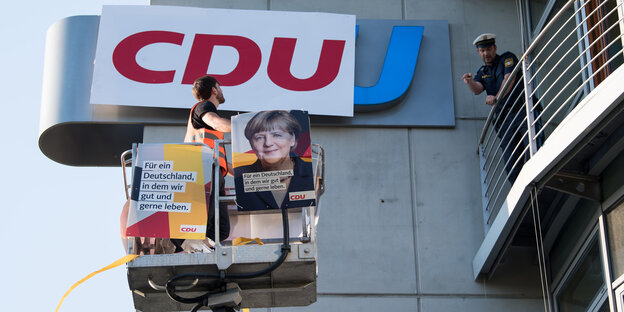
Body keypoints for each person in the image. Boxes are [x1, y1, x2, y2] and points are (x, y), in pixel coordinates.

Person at [462, 33, 529, 183]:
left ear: (494, 48)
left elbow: (508, 79)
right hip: (504, 119)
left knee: (533, 149)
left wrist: (496, 97)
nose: (486, 53)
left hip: (521, 111)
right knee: (511, 164)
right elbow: (478, 89)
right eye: (482, 51)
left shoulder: (507, 58)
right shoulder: (483, 71)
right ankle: (523, 196)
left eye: (488, 49)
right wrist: (470, 82)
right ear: (478, 53)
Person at [234, 111, 315, 211]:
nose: (268, 143)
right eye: (259, 137)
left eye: (276, 135)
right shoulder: (240, 177)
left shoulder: (312, 173)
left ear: (292, 139)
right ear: (251, 143)